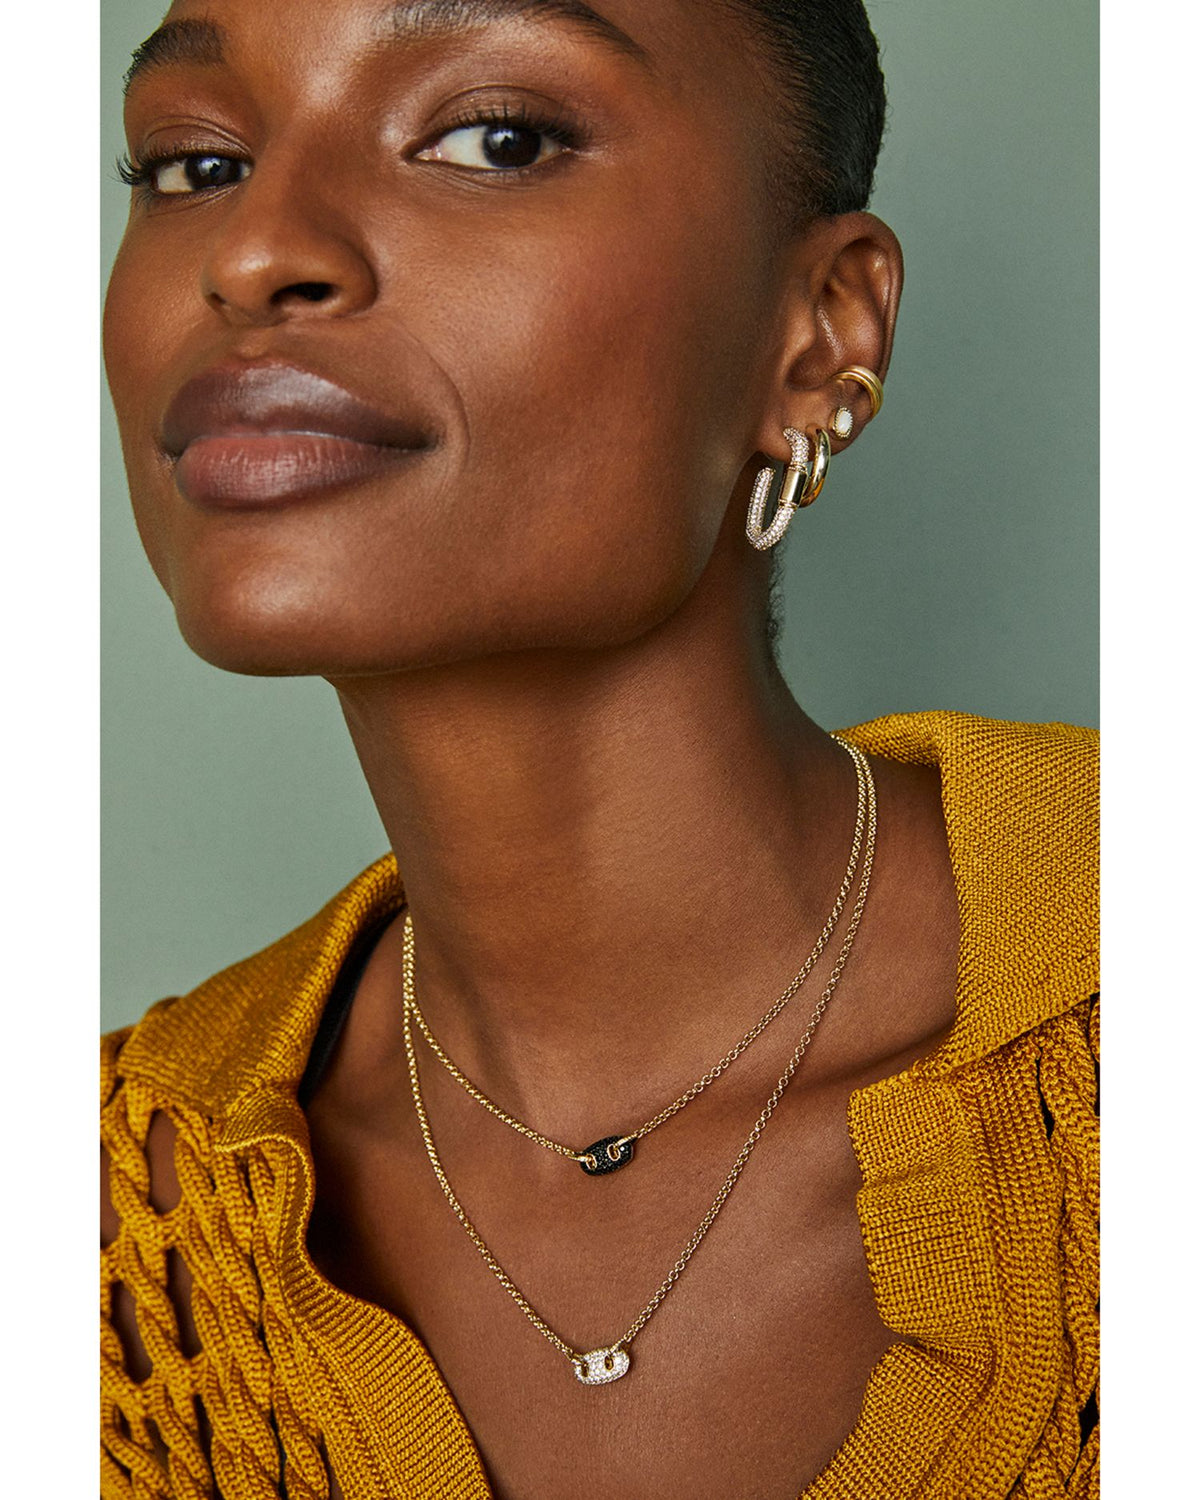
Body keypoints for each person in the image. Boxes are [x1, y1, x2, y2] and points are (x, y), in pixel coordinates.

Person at [100, 1, 1098, 1497]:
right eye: (195, 164)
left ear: (821, 331)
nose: (253, 252)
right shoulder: (113, 1236)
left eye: (497, 138)